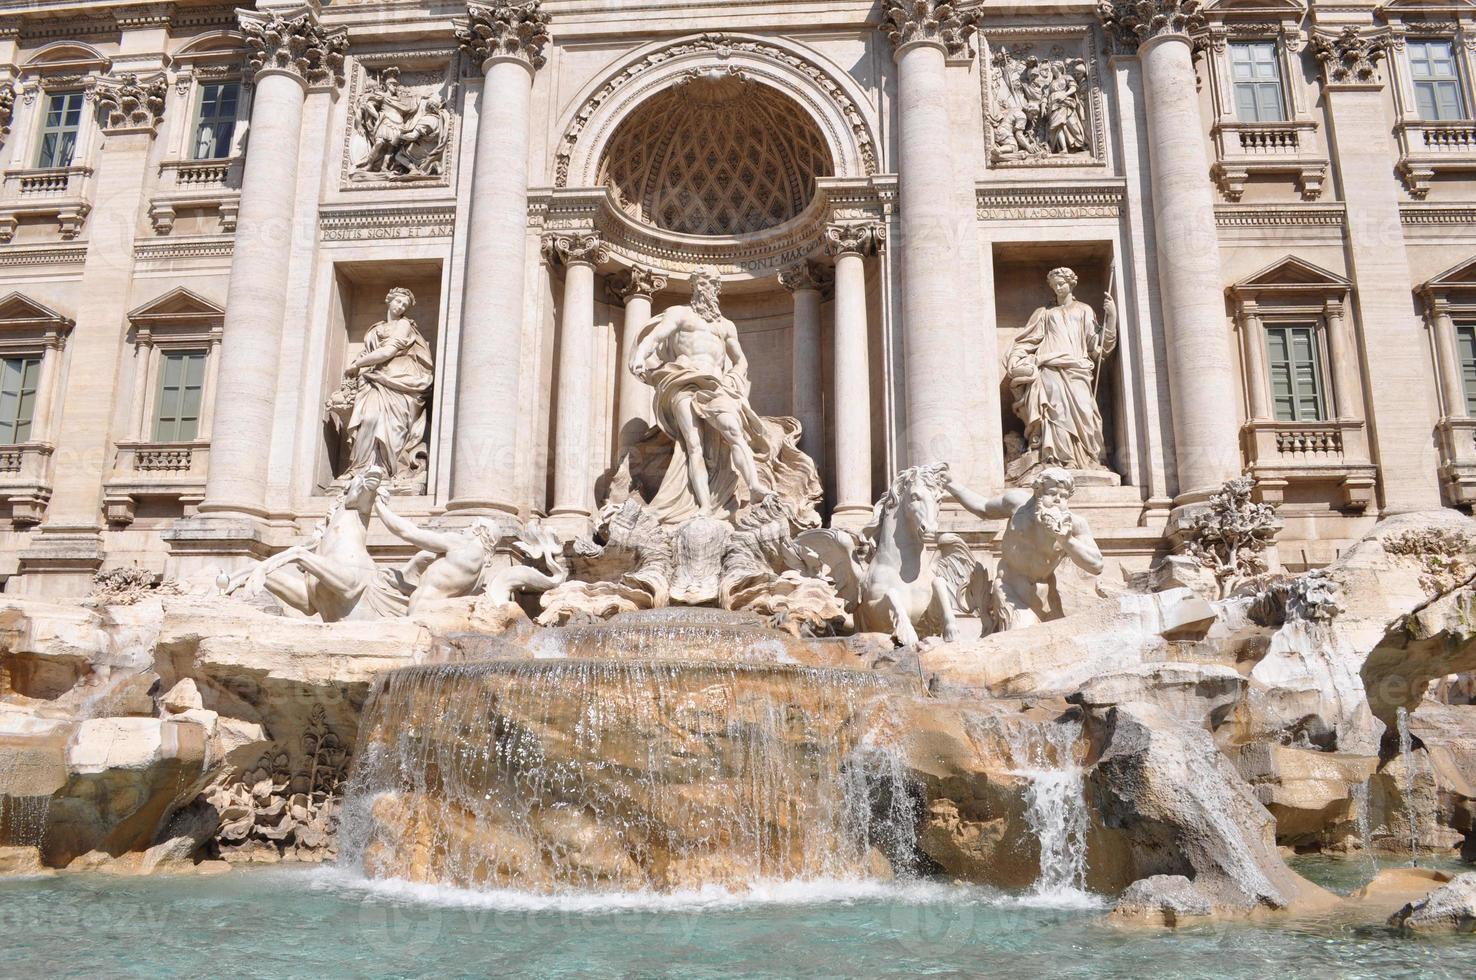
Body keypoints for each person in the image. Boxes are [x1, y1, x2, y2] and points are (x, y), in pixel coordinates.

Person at [628, 267, 787, 521]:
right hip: (683, 381)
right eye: (703, 283)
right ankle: (704, 506)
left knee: (734, 431)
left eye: (713, 284)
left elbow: (740, 360)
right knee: (694, 444)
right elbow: (656, 338)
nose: (708, 288)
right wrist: (639, 356)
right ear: (695, 286)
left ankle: (755, 486)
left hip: (716, 386)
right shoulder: (679, 314)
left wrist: (734, 378)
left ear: (717, 289)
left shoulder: (726, 326)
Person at [943, 466, 1103, 631]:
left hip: (1046, 598)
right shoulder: (1017, 504)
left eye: (1063, 496)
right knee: (1024, 634)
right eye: (1052, 493)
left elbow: (1096, 565)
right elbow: (983, 508)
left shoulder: (1075, 525)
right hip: (1009, 591)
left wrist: (1067, 540)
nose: (1057, 500)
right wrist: (950, 483)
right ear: (1038, 492)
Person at [1005, 267, 1116, 471]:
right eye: (1054, 285)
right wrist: (1016, 358)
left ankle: (1087, 457)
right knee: (1055, 410)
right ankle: (1058, 459)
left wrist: (1111, 318)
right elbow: (1028, 341)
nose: (1058, 287)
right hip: (1049, 367)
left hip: (1077, 367)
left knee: (1085, 410)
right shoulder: (1044, 313)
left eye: (1061, 283)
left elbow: (1097, 347)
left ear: (1071, 283)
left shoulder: (1084, 310)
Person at [336, 287, 434, 485]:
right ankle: (360, 469)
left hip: (399, 380)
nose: (401, 306)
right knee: (369, 419)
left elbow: (388, 351)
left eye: (405, 305)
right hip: (374, 379)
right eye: (398, 301)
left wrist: (355, 365)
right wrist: (359, 364)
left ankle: (384, 470)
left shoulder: (404, 325)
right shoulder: (376, 328)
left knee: (391, 427)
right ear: (389, 300)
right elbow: (369, 353)